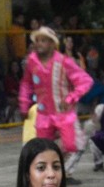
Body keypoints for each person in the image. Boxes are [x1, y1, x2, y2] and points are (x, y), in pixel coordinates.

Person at [19, 27, 94, 176]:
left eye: (44, 40)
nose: (39, 44)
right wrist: (24, 103)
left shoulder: (64, 61)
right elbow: (26, 83)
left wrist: (71, 98)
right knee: (43, 149)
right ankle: (49, 173)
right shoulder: (32, 62)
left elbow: (85, 81)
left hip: (63, 113)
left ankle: (56, 166)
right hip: (44, 114)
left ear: (52, 44)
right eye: (38, 40)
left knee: (71, 145)